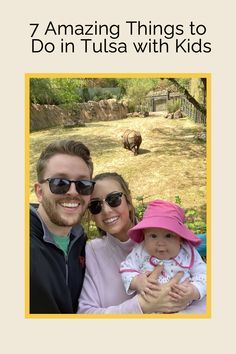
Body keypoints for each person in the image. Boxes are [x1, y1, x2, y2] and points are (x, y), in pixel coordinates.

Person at [78, 172, 205, 314]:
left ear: (128, 200)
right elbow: (85, 313)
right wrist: (141, 306)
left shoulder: (176, 241)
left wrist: (188, 297)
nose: (106, 210)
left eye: (114, 199)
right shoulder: (92, 252)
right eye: (95, 205)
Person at [30, 139, 95, 314]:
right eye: (59, 183)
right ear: (39, 192)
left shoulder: (80, 240)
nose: (73, 192)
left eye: (83, 184)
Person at [120, 199, 206, 310]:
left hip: (184, 308)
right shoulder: (140, 251)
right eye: (153, 236)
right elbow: (126, 269)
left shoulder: (187, 252)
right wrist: (137, 282)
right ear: (144, 236)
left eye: (168, 236)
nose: (160, 243)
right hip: (149, 309)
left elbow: (204, 275)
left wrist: (194, 290)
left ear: (180, 238)